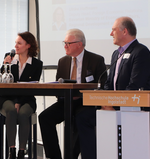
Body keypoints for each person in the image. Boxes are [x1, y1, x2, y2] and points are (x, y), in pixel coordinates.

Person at [38, 28, 107, 159]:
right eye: (64, 43)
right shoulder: (63, 61)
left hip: (86, 102)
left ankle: (77, 156)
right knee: (44, 117)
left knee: (80, 118)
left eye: (68, 43)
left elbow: (102, 86)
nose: (65, 46)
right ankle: (54, 156)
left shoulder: (96, 60)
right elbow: (59, 86)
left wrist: (80, 95)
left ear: (79, 44)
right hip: (66, 101)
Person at [103, 16, 150, 120]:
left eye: (113, 30)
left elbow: (135, 84)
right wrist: (107, 102)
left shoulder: (141, 52)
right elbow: (109, 82)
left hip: (137, 109)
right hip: (116, 108)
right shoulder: (116, 54)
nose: (111, 34)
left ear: (125, 31)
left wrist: (115, 106)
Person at [0, 31, 43, 159]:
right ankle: (12, 150)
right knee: (11, 111)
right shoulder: (10, 58)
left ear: (28, 45)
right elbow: (1, 81)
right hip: (7, 98)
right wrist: (5, 65)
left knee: (23, 114)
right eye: (15, 43)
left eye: (19, 43)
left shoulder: (37, 64)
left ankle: (22, 151)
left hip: (27, 99)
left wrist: (19, 101)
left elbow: (32, 87)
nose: (15, 46)